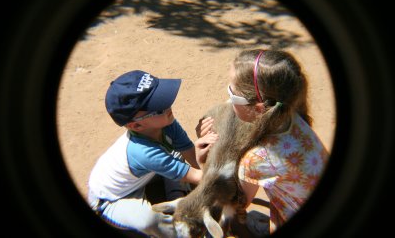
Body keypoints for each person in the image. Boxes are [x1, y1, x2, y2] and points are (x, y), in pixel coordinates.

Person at [198, 49, 329, 235]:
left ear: (259, 108)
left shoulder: (257, 159)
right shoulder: (293, 114)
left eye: (232, 93)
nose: (228, 100)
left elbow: (237, 204)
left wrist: (203, 161)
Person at [87, 70, 218, 237]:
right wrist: (225, 178)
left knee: (177, 159)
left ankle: (176, 195)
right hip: (110, 199)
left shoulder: (166, 122)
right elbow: (196, 175)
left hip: (143, 175)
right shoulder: (143, 152)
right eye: (158, 109)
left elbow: (188, 151)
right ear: (136, 126)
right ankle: (182, 231)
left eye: (164, 99)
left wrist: (200, 164)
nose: (168, 107)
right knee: (147, 220)